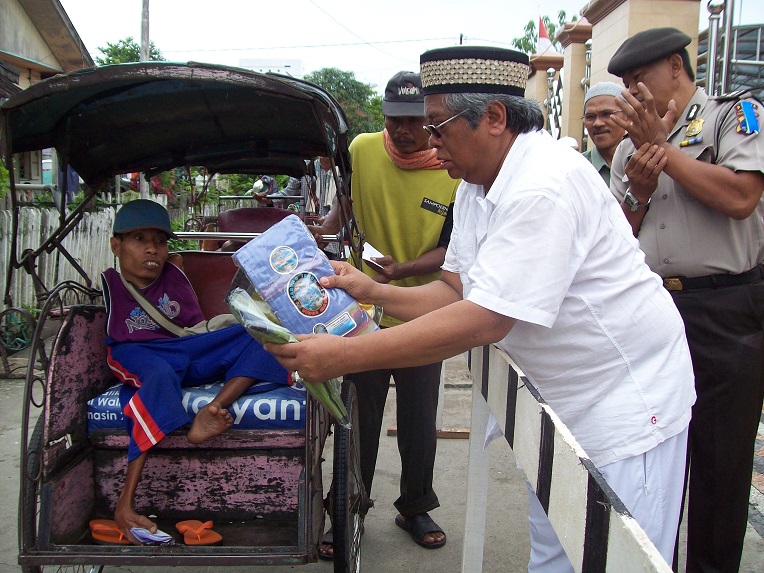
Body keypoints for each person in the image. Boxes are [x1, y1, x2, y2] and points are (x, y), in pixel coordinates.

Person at [265, 46, 696, 571]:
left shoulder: (545, 184)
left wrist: (344, 356)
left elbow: (488, 318)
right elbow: (456, 291)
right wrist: (374, 292)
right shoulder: (475, 182)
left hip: (625, 403)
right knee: (555, 553)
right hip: (566, 404)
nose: (428, 141)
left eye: (438, 127)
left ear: (493, 118)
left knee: (615, 559)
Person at [606, 27, 764, 572]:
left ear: (676, 67)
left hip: (725, 311)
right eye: (625, 84)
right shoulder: (628, 147)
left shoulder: (732, 116)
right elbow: (617, 240)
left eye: (640, 79)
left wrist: (664, 154)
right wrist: (640, 190)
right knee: (655, 459)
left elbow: (742, 197)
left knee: (720, 466)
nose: (633, 93)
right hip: (653, 310)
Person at [309, 71, 459, 556]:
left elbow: (451, 251)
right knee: (356, 418)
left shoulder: (451, 167)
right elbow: (347, 207)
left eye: (416, 121)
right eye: (395, 120)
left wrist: (402, 270)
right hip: (361, 311)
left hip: (424, 311)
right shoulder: (361, 151)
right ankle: (349, 507)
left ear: (430, 124)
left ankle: (415, 506)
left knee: (419, 420)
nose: (403, 131)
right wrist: (326, 228)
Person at [101, 199, 288, 544]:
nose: (151, 249)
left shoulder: (174, 271)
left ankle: (211, 410)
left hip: (188, 347)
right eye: (139, 239)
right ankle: (125, 504)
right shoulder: (113, 283)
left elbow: (195, 324)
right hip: (137, 352)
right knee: (157, 376)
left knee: (263, 336)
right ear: (116, 245)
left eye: (159, 241)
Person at [581, 81, 627, 186]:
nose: (597, 123)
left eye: (606, 114)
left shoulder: (643, 161)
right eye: (590, 117)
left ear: (627, 116)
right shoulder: (576, 168)